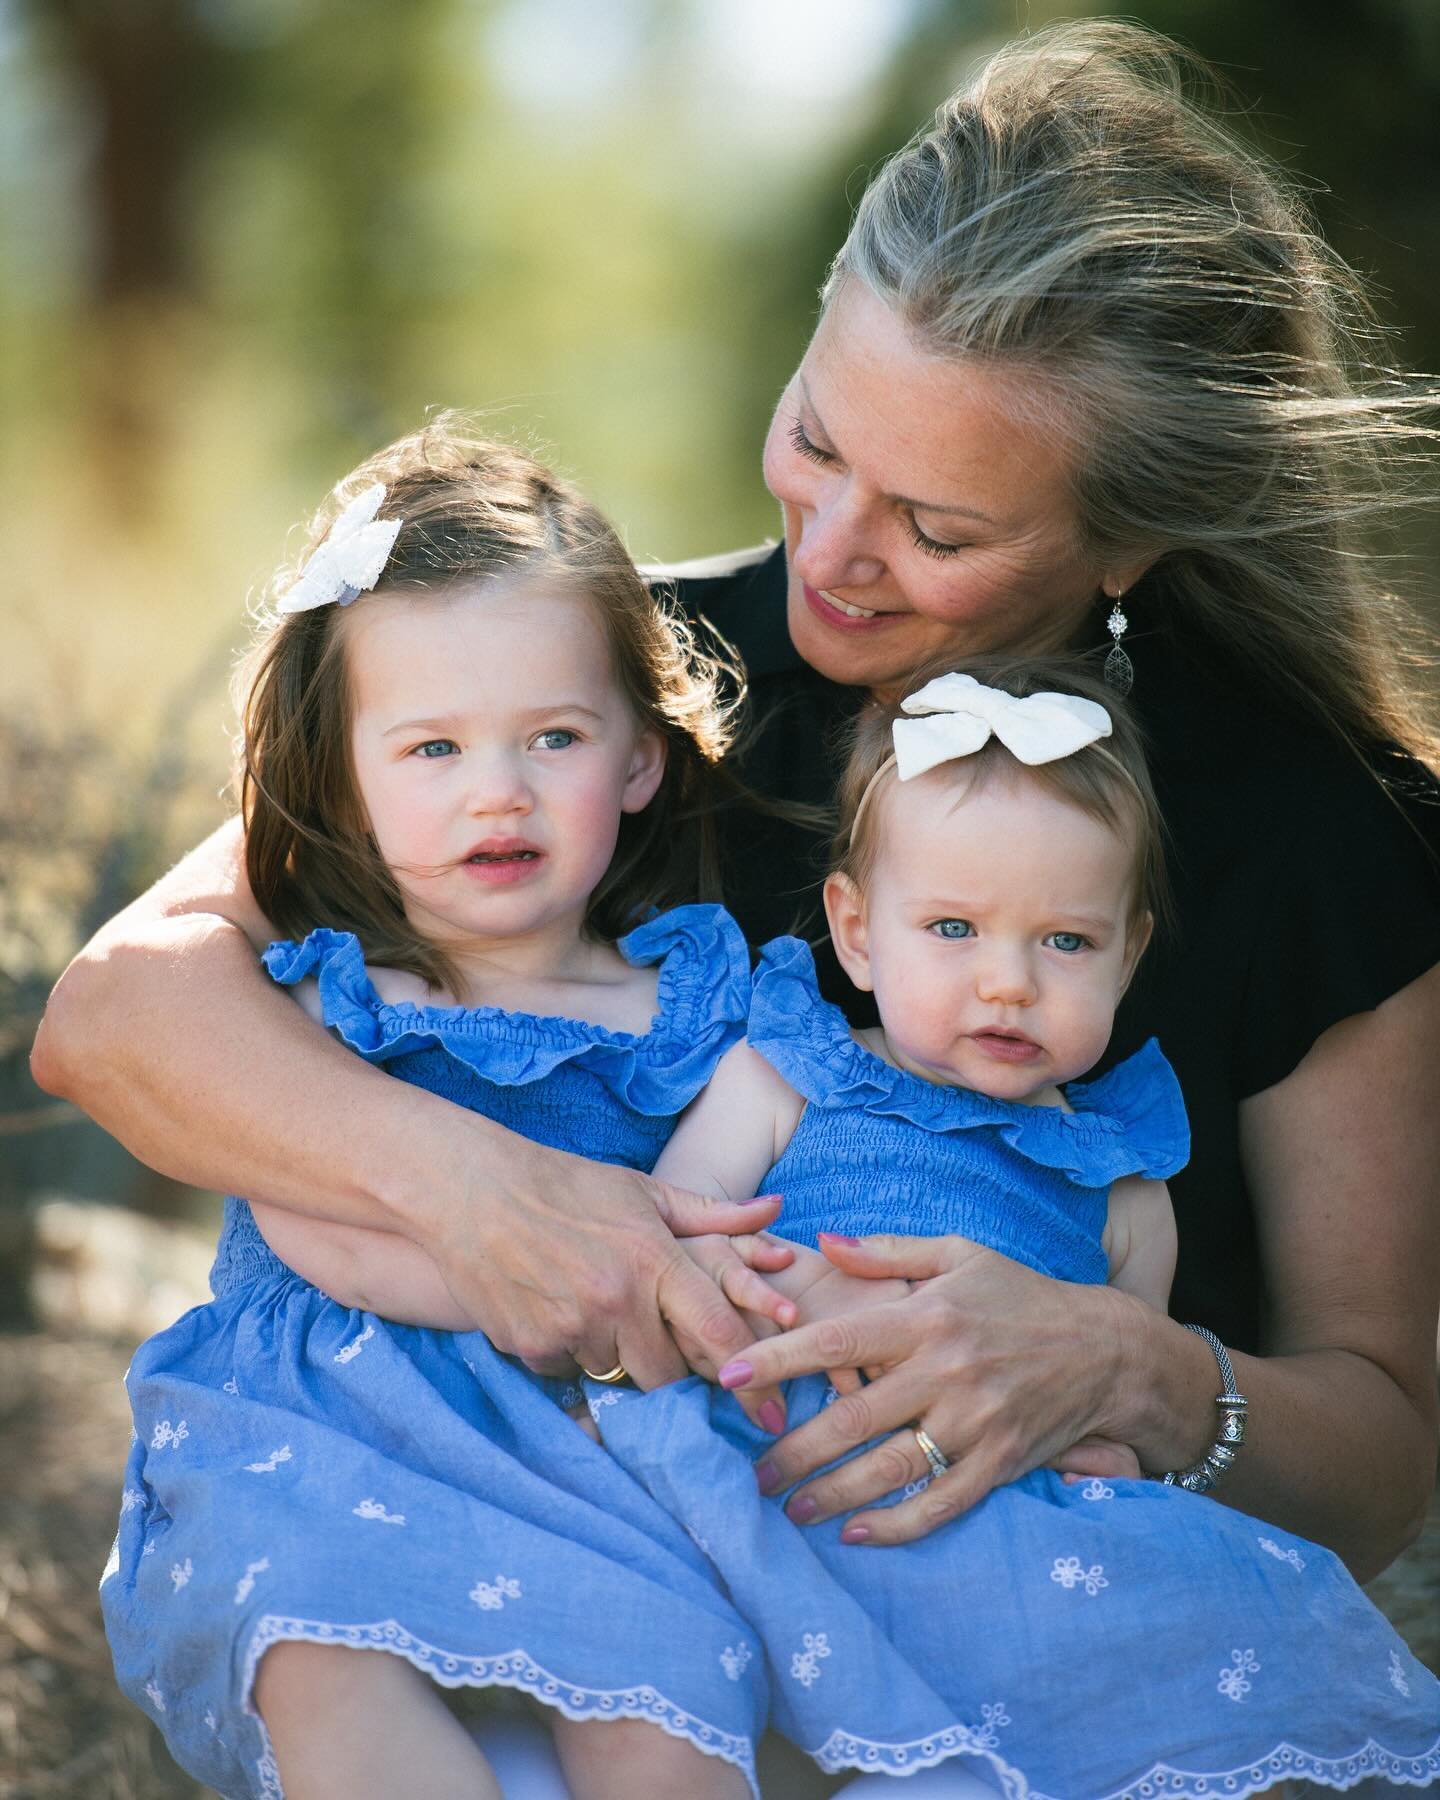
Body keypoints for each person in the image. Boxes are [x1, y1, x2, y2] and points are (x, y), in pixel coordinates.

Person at [33, 5, 1440, 1721]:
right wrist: (487, 1201)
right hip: (621, 1591)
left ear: (1127, 541)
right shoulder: (624, 698)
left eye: (939, 527)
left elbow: (1379, 1449)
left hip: (1045, 1629)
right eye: (820, 441)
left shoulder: (1322, 836)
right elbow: (121, 1014)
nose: (832, 558)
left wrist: (1125, 1371)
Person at [99, 422, 805, 1800]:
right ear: (344, 789)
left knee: (670, 1687)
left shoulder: (703, 1009)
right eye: (432, 748)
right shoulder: (326, 1010)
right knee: (322, 1649)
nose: (501, 790)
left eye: (555, 736)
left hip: (610, 1466)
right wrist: (542, 1286)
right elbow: (321, 1234)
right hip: (331, 1446)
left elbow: (745, 1206)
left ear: (644, 762)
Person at [587, 662, 1440, 1794]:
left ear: (1131, 952)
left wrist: (1104, 1456)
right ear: (855, 930)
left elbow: (1119, 1413)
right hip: (765, 1476)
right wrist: (793, 1294)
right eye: (951, 927)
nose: (1007, 984)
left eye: (1066, 944)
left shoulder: (1124, 1186)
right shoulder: (788, 1075)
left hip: (998, 1552)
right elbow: (677, 1240)